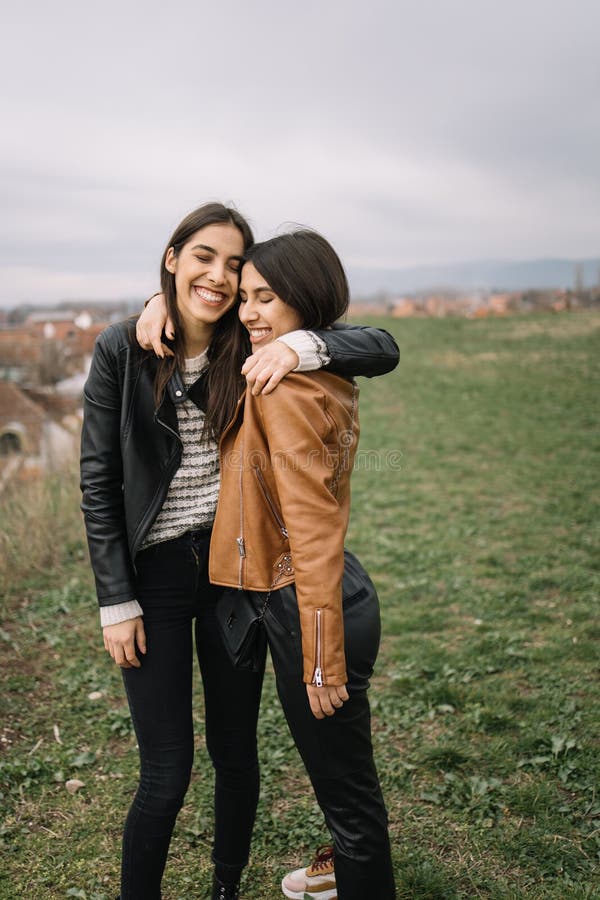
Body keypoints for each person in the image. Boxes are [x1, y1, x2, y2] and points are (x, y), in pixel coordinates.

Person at [80, 202, 399, 900]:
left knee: (235, 752)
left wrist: (301, 346)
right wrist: (115, 597)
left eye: (235, 266)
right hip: (159, 575)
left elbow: (380, 345)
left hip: (237, 575)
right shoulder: (123, 347)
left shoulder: (247, 342)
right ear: (172, 258)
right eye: (204, 257)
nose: (222, 279)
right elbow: (98, 480)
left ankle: (226, 884)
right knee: (166, 772)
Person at [208, 230, 396, 900]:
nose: (250, 312)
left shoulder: (283, 388)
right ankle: (343, 869)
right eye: (244, 298)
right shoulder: (311, 371)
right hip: (325, 592)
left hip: (306, 602)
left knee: (349, 805)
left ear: (304, 300)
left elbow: (312, 532)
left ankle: (356, 876)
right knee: (344, 784)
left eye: (266, 298)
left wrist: (319, 655)